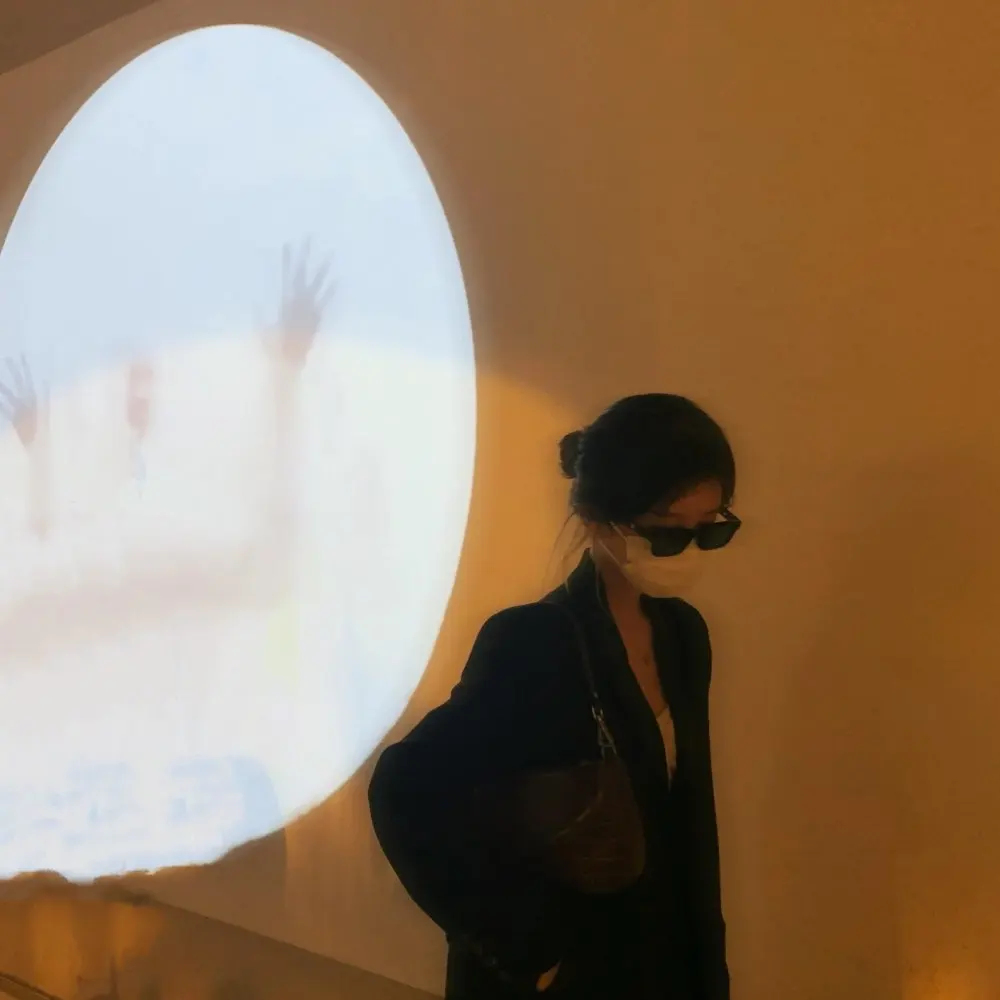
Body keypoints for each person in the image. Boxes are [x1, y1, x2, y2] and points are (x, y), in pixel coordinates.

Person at [369, 393, 739, 999]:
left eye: (713, 530)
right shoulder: (532, 639)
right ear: (597, 518)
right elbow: (404, 788)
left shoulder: (682, 634)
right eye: (669, 534)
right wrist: (527, 948)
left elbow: (691, 824)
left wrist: (709, 972)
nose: (691, 553)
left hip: (658, 966)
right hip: (567, 973)